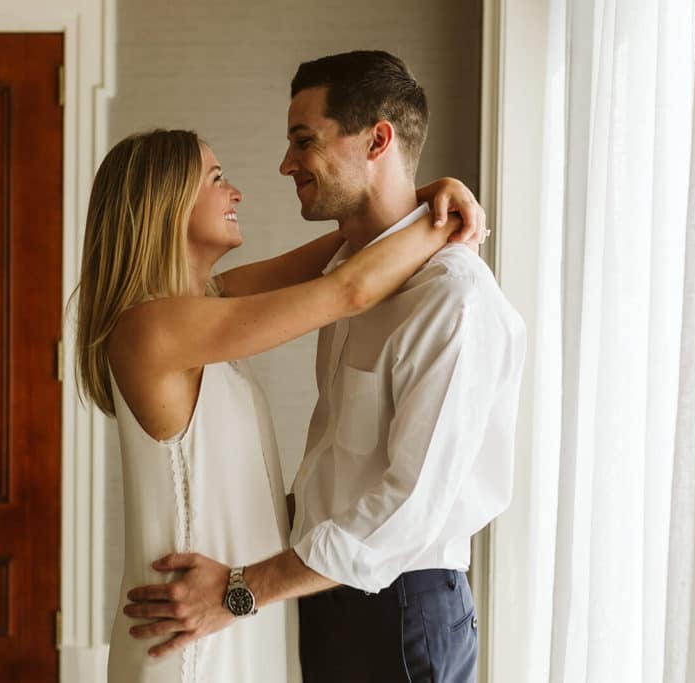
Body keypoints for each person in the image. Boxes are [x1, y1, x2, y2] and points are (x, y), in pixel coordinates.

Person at [123, 51, 526, 683]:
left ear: (377, 140)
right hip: (309, 591)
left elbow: (406, 509)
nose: (283, 165)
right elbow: (350, 286)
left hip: (396, 607)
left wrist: (243, 589)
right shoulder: (323, 283)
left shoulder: (454, 300)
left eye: (302, 140)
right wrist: (429, 207)